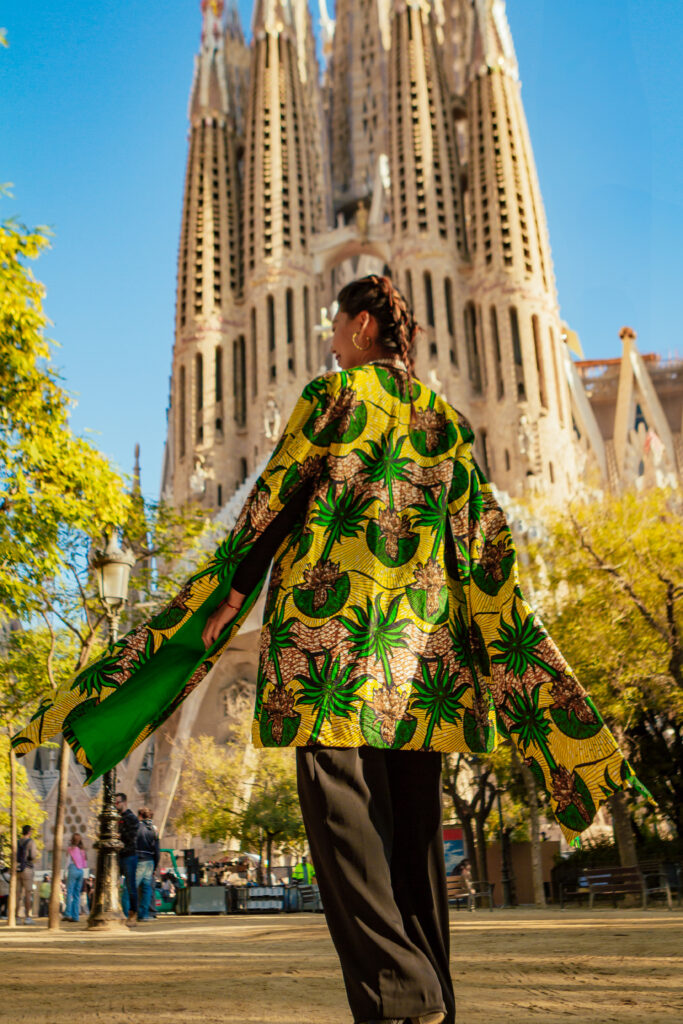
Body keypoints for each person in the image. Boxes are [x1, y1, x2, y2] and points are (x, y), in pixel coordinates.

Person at [13, 275, 644, 1024]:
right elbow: (483, 542)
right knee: (409, 834)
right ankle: (426, 993)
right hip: (422, 662)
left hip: (332, 646)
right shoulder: (441, 418)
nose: (328, 335)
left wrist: (225, 596)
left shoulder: (333, 396)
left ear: (362, 326)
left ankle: (402, 992)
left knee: (342, 819)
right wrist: (501, 647)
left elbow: (275, 499)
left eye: (337, 323)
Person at [114, 792, 139, 926]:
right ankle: (120, 913)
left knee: (131, 887)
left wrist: (119, 836)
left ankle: (132, 915)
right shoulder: (116, 818)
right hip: (119, 856)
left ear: (124, 802)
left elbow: (132, 837)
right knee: (116, 886)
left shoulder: (131, 818)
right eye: (115, 803)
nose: (115, 805)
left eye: (117, 802)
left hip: (129, 855)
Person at [135, 807, 159, 921]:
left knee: (131, 888)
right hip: (150, 860)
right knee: (146, 889)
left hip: (139, 859)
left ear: (140, 816)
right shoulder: (154, 829)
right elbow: (157, 849)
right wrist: (156, 864)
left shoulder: (137, 827)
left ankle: (128, 912)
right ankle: (144, 914)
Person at [63, 832, 87, 922]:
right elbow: (85, 863)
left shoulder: (71, 849)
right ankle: (75, 916)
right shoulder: (82, 850)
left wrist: (65, 872)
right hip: (81, 871)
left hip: (73, 869)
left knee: (69, 893)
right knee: (77, 894)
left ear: (72, 840)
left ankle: (68, 914)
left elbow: (68, 861)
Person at [16, 825, 38, 924]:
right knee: (28, 894)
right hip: (28, 869)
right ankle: (28, 917)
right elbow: (32, 856)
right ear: (29, 832)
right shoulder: (31, 842)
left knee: (18, 895)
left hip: (18, 869)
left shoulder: (17, 841)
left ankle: (16, 917)